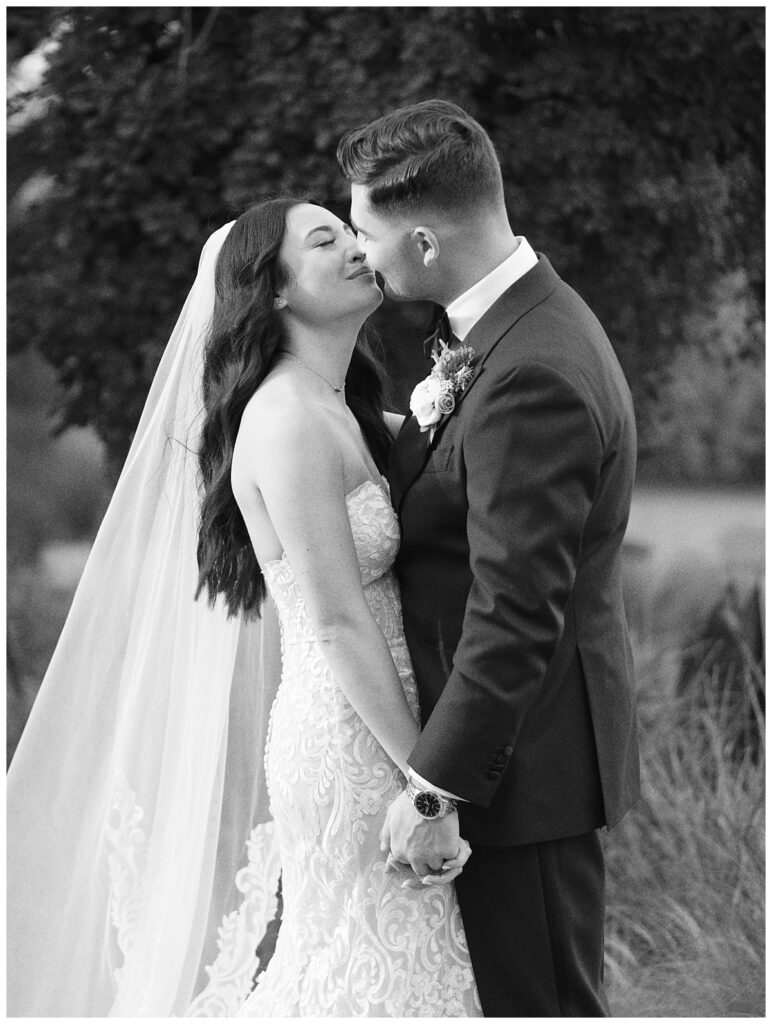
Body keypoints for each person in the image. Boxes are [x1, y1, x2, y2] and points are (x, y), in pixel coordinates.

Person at [7, 196, 481, 1017]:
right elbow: (334, 620)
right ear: (274, 293)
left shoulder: (340, 406)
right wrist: (430, 784)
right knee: (370, 980)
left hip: (386, 724)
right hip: (352, 740)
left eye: (350, 230)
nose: (356, 248)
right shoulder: (288, 420)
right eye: (325, 241)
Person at [337, 99, 641, 1016]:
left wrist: (433, 792)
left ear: (424, 243)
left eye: (367, 232)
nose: (362, 254)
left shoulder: (529, 371)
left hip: (525, 772)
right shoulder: (509, 326)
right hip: (521, 761)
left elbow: (516, 608)